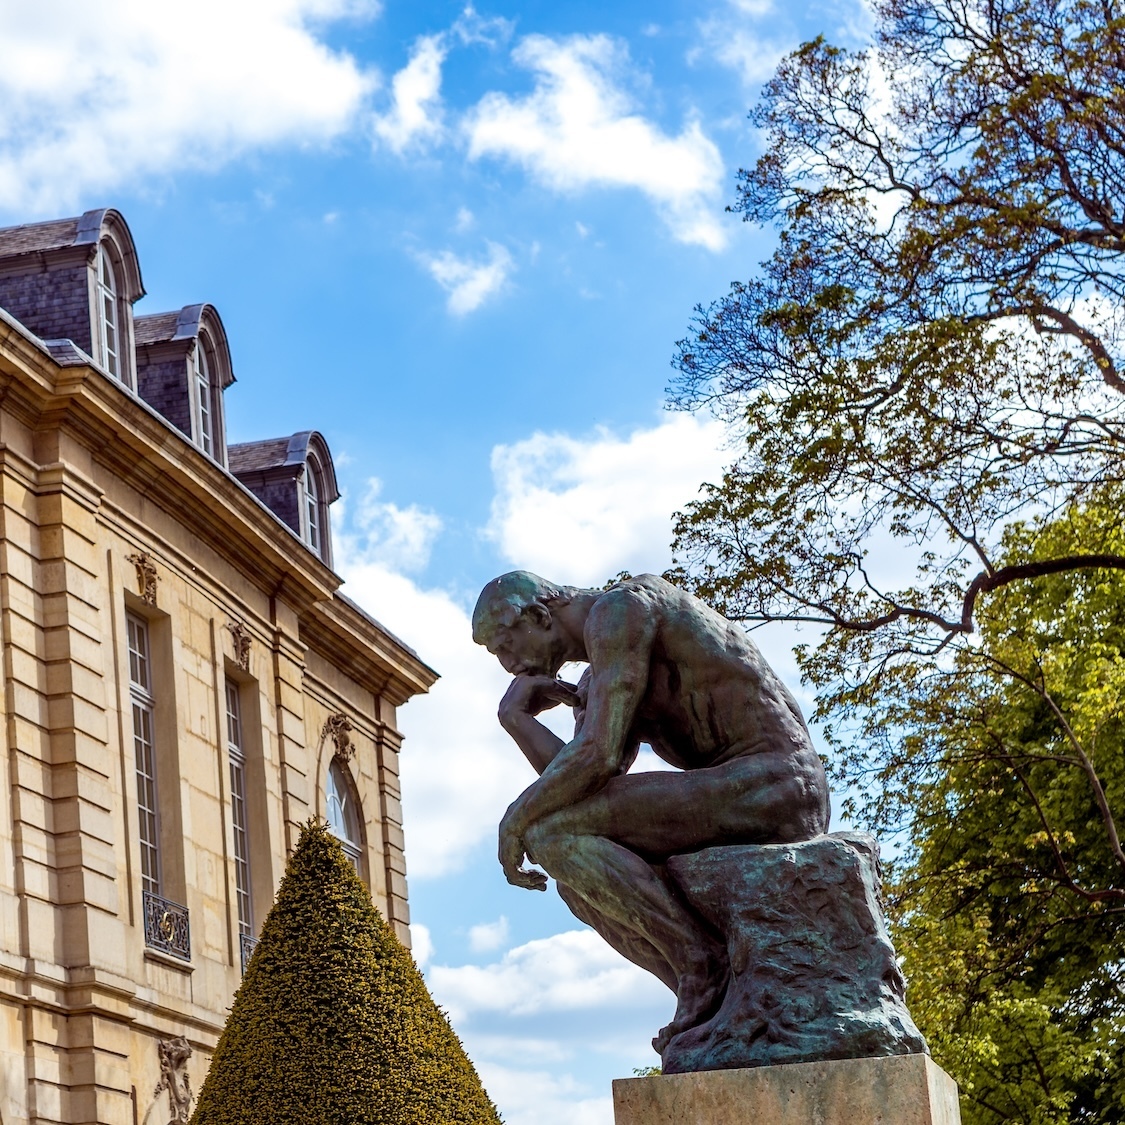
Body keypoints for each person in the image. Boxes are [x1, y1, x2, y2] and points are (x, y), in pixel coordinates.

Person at [472, 571, 831, 1051]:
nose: (509, 665)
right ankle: (708, 993)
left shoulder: (621, 611)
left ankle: (700, 962)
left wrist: (516, 820)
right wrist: (515, 720)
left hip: (779, 783)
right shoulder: (596, 674)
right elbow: (584, 785)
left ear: (538, 616)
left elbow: (597, 757)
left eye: (506, 647)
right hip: (735, 790)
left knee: (550, 835)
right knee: (576, 876)